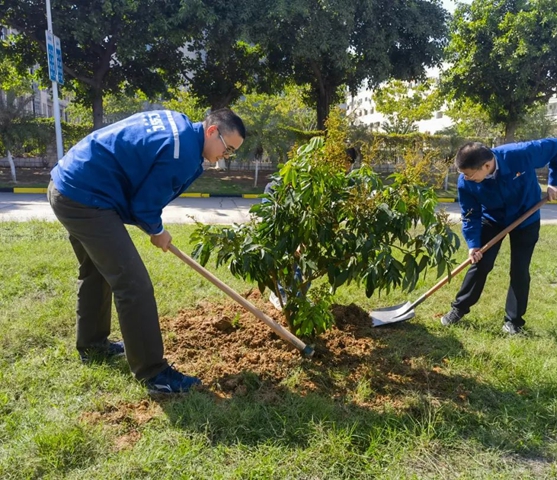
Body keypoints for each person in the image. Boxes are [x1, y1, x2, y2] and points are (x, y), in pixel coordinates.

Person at [48, 108, 245, 393]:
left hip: (69, 182)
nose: (225, 157)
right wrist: (157, 230)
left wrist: (153, 227)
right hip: (85, 197)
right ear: (212, 131)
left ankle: (93, 345)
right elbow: (144, 206)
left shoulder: (179, 124)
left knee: (97, 270)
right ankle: (154, 373)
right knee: (133, 284)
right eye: (227, 149)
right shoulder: (182, 153)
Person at [440, 139, 557, 334]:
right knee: (480, 263)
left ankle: (513, 321)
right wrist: (473, 244)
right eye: (463, 175)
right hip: (492, 218)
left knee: (519, 270)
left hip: (526, 217)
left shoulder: (520, 153)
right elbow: (470, 215)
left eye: (469, 174)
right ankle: (458, 309)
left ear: (486, 165)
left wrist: (555, 181)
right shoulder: (465, 182)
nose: (465, 179)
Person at [264, 146, 358, 310]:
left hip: (307, 218)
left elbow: (331, 217)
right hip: (277, 199)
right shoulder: (314, 173)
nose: (344, 165)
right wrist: (299, 240)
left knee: (306, 258)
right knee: (285, 252)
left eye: (348, 162)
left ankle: (298, 299)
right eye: (341, 160)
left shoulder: (340, 184)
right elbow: (299, 204)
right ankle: (280, 293)